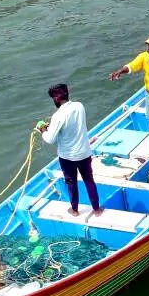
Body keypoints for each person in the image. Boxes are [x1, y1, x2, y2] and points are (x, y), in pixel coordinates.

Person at [36, 84, 103, 217]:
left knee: (71, 183)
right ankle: (96, 209)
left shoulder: (58, 116)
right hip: (84, 153)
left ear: (56, 98)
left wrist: (43, 129)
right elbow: (71, 125)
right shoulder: (79, 106)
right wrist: (54, 126)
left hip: (68, 158)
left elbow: (50, 139)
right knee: (89, 180)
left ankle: (74, 210)